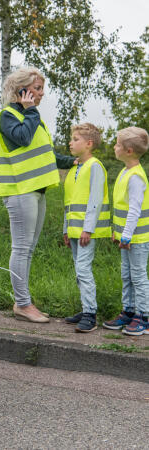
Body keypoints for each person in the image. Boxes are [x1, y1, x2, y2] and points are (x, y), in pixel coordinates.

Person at [0, 67, 75, 323]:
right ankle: (22, 304)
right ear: (22, 90)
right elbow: (22, 138)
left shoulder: (33, 117)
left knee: (28, 249)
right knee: (21, 248)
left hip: (36, 191)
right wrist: (30, 110)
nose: (42, 94)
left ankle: (24, 302)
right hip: (20, 191)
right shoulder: (8, 116)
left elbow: (47, 154)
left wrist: (73, 161)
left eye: (42, 89)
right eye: (37, 88)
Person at [63, 123, 111, 332]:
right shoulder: (76, 168)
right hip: (74, 230)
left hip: (86, 231)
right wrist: (66, 228)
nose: (70, 143)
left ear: (89, 144)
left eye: (75, 139)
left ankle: (90, 314)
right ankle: (86, 308)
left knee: (83, 269)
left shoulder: (95, 167)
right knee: (78, 270)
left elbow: (95, 200)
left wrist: (88, 228)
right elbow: (70, 201)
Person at [103, 127, 149, 336]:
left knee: (138, 276)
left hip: (136, 239)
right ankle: (129, 311)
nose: (114, 147)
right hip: (126, 237)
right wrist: (118, 232)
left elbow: (134, 210)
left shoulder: (136, 178)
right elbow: (120, 208)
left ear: (128, 150)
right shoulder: (125, 172)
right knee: (127, 275)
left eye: (117, 144)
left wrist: (127, 235)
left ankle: (144, 316)